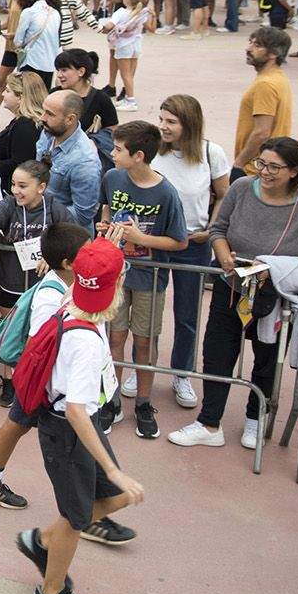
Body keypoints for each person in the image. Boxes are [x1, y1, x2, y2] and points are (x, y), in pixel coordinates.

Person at [168, 137, 298, 451]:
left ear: (295, 171)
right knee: (217, 353)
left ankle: (256, 420)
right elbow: (219, 229)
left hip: (275, 298)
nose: (265, 172)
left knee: (267, 358)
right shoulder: (242, 187)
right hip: (231, 287)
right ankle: (209, 422)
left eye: (275, 167)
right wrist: (223, 253)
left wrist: (275, 267)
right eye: (261, 164)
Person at [16, 237, 145, 594]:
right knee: (75, 518)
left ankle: (41, 541)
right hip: (68, 431)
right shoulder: (85, 341)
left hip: (77, 428)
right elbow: (75, 410)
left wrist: (106, 252)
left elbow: (92, 268)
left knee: (116, 499)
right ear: (117, 288)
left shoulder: (73, 299)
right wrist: (113, 467)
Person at [0, 220, 88, 506]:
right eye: (87, 252)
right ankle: (86, 510)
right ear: (68, 263)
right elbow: (39, 342)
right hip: (44, 379)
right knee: (72, 440)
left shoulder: (70, 280)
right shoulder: (50, 295)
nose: (92, 256)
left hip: (47, 379)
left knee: (18, 424)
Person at [101, 120, 189, 441]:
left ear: (138, 156)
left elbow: (179, 241)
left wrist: (141, 238)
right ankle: (111, 401)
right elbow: (108, 210)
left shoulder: (166, 193)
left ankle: (143, 403)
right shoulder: (112, 178)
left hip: (149, 280)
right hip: (116, 276)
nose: (112, 154)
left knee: (143, 342)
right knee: (114, 338)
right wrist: (105, 227)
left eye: (118, 150)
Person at [151, 95, 229, 410]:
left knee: (187, 314)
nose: (163, 126)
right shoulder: (154, 151)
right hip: (155, 243)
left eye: (171, 121)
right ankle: (143, 367)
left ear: (189, 124)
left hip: (194, 245)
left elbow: (224, 195)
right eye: (161, 119)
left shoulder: (212, 153)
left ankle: (181, 373)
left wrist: (212, 228)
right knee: (148, 310)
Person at [232, 27, 293, 178]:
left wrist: (240, 163)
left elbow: (262, 132)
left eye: (257, 45)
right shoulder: (278, 78)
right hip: (268, 165)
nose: (248, 48)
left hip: (255, 169)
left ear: (274, 54)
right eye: (250, 42)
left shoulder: (265, 84)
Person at [36, 90, 102, 228]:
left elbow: (82, 215)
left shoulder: (85, 162)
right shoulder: (50, 131)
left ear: (70, 119)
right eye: (44, 111)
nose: (42, 118)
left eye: (50, 114)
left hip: (65, 236)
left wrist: (38, 212)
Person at [104, 0, 149, 110]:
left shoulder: (121, 12)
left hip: (124, 45)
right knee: (130, 74)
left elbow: (109, 25)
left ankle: (131, 101)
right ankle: (127, 97)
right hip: (136, 44)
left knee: (125, 74)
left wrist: (101, 26)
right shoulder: (141, 12)